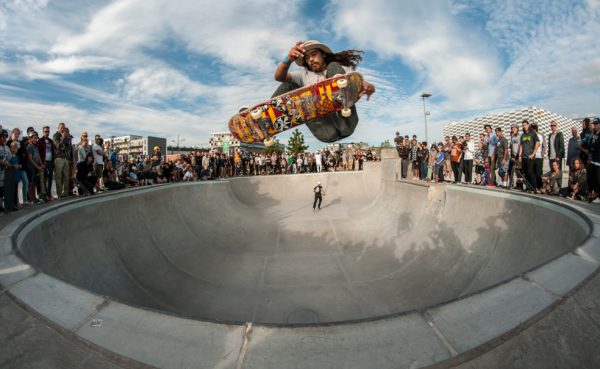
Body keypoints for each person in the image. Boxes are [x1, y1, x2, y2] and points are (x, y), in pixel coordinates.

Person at [274, 40, 375, 142]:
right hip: (326, 132)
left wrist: (368, 87)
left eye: (314, 54)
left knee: (334, 66)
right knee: (289, 83)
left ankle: (340, 97)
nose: (311, 60)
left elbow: (361, 82)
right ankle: (270, 114)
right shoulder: (302, 75)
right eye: (307, 58)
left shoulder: (341, 69)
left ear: (323, 55)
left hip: (347, 121)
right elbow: (279, 76)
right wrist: (288, 59)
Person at [518, 120, 540, 193]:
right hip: (523, 157)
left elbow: (537, 143)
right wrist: (520, 155)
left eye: (525, 125)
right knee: (525, 173)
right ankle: (528, 187)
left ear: (528, 125)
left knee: (531, 172)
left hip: (530, 157)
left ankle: (535, 187)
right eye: (523, 125)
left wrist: (533, 153)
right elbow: (521, 145)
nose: (524, 126)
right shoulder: (523, 135)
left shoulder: (532, 133)